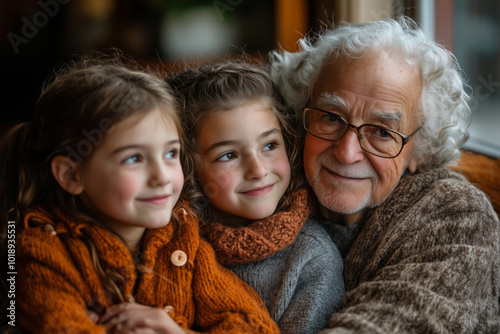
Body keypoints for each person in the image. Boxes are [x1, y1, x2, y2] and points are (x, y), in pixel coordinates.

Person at [0, 54, 280, 333]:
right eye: (134, 158)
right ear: (71, 175)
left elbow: (256, 326)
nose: (162, 176)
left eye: (170, 153)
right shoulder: (40, 252)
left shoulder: (183, 240)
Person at [269, 16, 500, 333]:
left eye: (381, 132)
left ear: (420, 150)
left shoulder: (457, 217)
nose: (347, 152)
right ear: (302, 113)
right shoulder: (269, 185)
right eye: (331, 117)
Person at [167, 61, 345, 334]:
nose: (259, 170)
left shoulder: (310, 260)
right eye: (228, 155)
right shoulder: (165, 239)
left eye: (270, 145)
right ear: (186, 167)